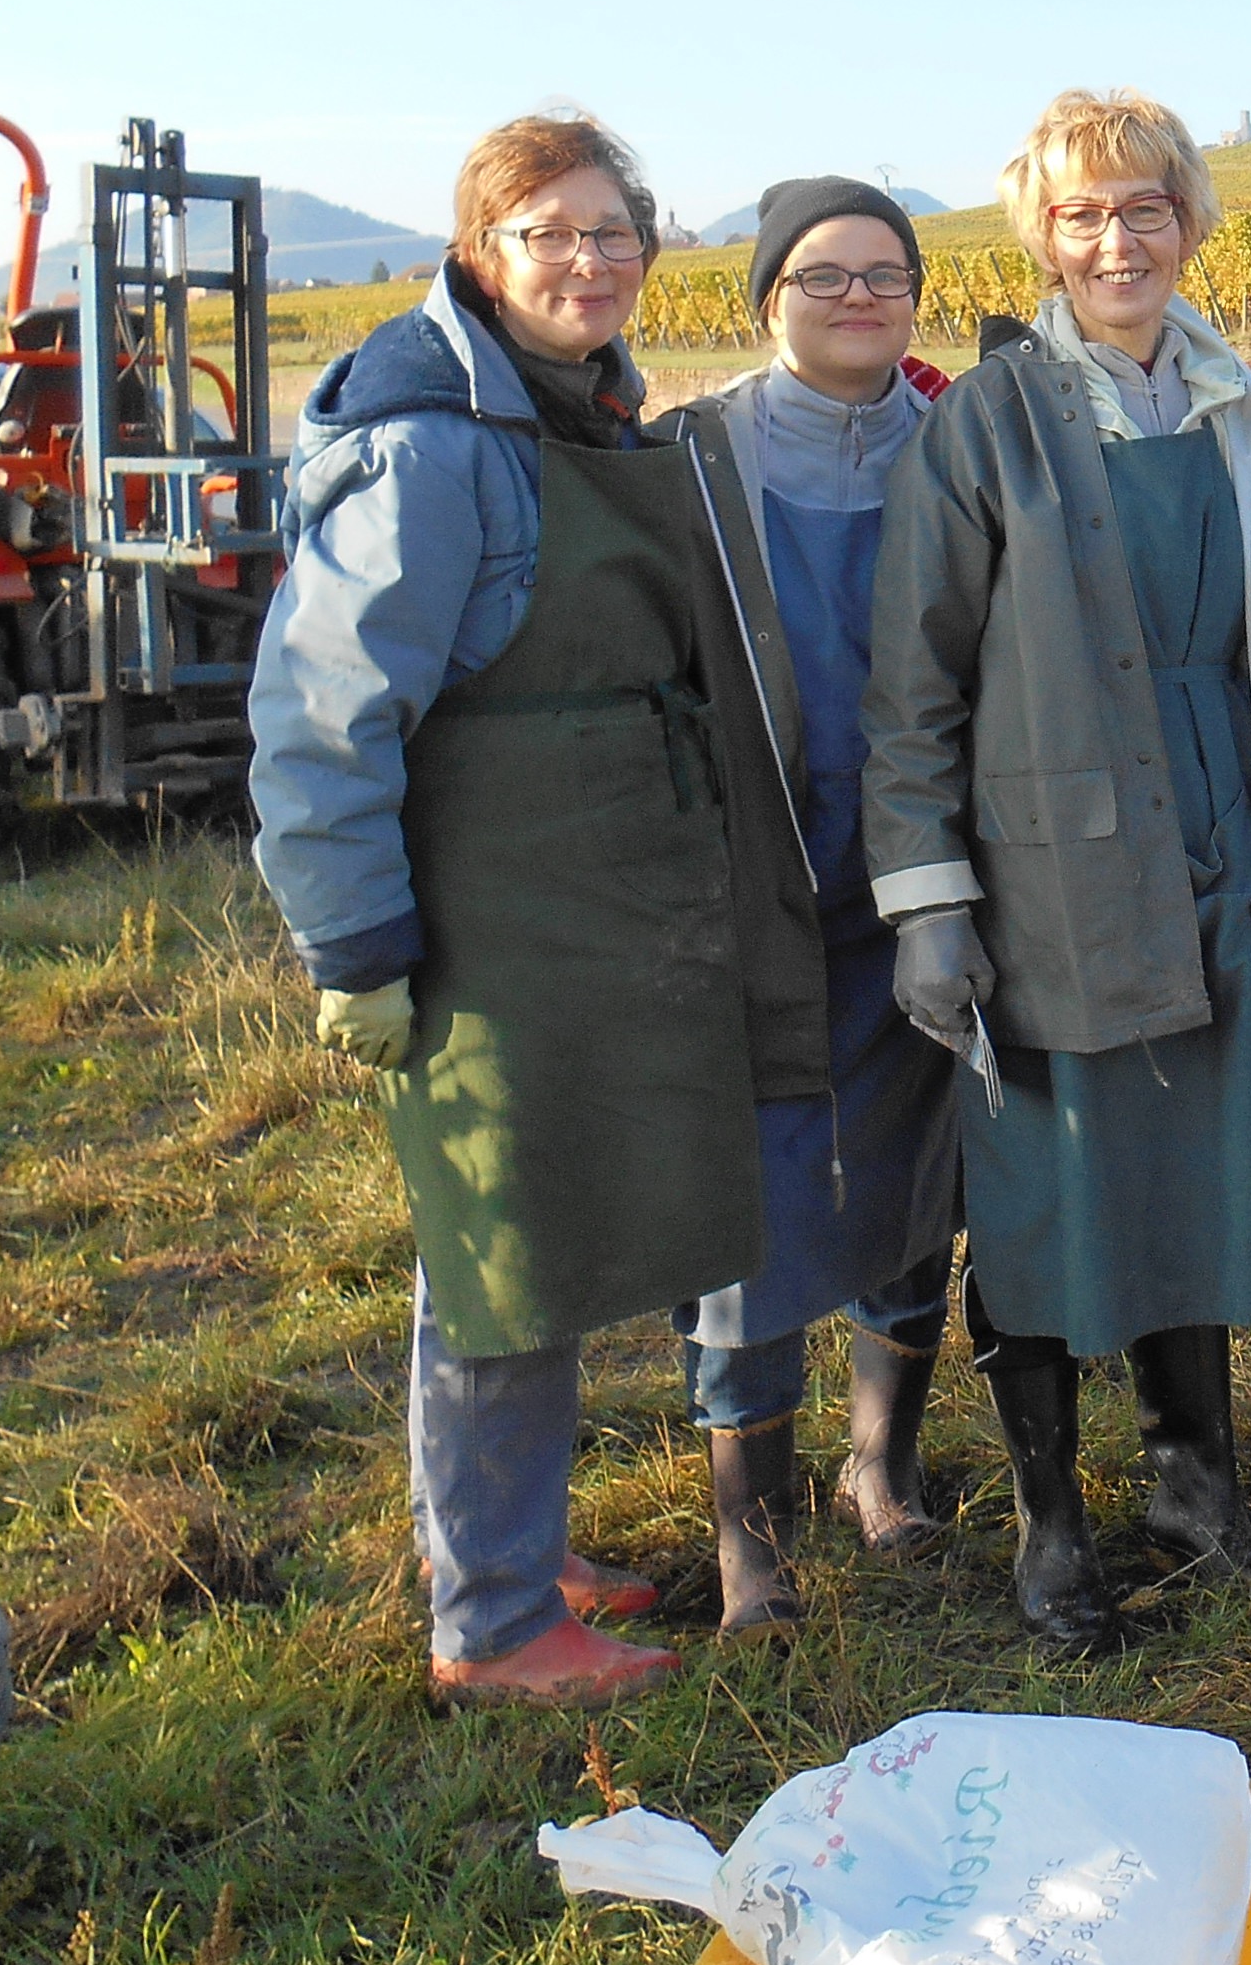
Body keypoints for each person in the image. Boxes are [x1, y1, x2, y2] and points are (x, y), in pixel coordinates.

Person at [248, 112, 823, 1707]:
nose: (586, 260)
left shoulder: (592, 412)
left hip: (606, 906)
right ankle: (493, 1627)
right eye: (547, 232)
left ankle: (506, 1541)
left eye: (611, 232)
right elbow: (318, 719)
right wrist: (354, 943)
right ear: (483, 255)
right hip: (488, 924)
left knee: (556, 1234)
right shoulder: (435, 452)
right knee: (495, 1253)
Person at [863, 88, 1251, 1645]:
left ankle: (1197, 1485)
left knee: (1193, 1176)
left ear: (1189, 225)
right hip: (1051, 868)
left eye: (1143, 210)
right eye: (1081, 216)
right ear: (1041, 239)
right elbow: (914, 687)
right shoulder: (983, 426)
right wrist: (928, 906)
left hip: (1217, 856)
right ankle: (1053, 1527)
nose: (1115, 240)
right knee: (1055, 1194)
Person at [666, 178, 964, 1634]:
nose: (859, 296)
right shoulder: (696, 456)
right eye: (824, 274)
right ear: (767, 297)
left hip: (920, 872)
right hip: (760, 886)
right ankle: (749, 1542)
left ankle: (882, 1470)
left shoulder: (962, 444)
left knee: (914, 1175)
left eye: (886, 273)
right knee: (761, 1197)